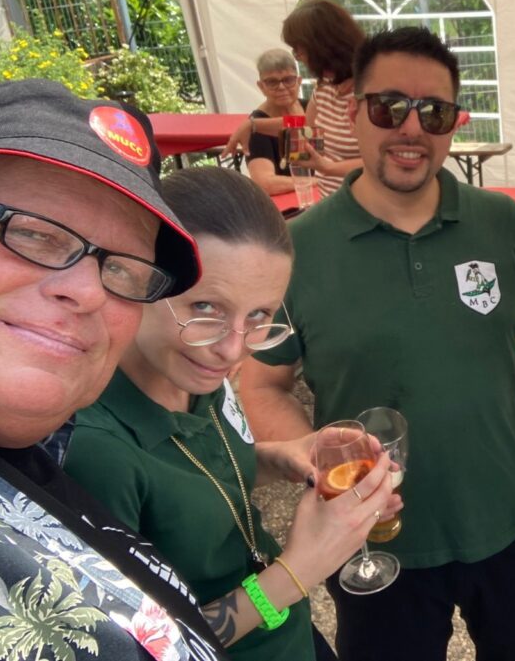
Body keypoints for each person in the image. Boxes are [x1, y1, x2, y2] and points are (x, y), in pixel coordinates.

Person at [239, 27, 515, 661]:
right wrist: (320, 470)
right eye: (389, 107)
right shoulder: (298, 249)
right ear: (352, 112)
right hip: (371, 544)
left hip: (512, 523)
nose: (411, 128)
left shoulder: (501, 223)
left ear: (454, 123)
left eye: (435, 112)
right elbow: (261, 384)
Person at [63, 167, 398, 661]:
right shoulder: (95, 450)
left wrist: (279, 457)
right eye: (205, 307)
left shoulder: (197, 374)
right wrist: (296, 573)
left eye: (260, 315)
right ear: (139, 278)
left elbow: (199, 478)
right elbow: (138, 646)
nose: (233, 350)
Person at [0, 78, 229, 660]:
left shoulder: (43, 453)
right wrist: (299, 572)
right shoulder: (104, 450)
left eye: (124, 269)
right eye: (33, 234)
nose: (89, 290)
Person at [226, 0, 364, 195]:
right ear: (261, 86)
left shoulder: (369, 91)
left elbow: (383, 160)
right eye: (272, 82)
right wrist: (253, 125)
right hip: (333, 198)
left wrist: (327, 168)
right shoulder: (325, 88)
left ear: (320, 47)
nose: (299, 57)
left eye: (298, 50)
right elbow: (304, 128)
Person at [245, 49, 306, 196]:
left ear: (299, 81)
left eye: (288, 80)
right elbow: (264, 183)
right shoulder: (258, 125)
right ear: (261, 86)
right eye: (272, 82)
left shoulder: (311, 108)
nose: (281, 87)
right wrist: (315, 181)